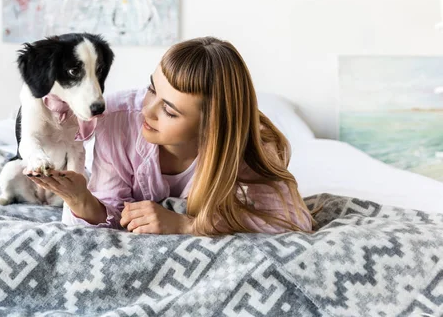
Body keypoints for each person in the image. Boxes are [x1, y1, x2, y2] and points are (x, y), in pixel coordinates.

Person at [27, 37, 315, 236]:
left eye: (169, 110)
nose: (147, 112)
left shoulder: (244, 144)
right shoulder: (116, 120)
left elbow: (294, 220)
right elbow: (111, 212)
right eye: (152, 89)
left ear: (210, 126)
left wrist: (189, 225)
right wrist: (81, 200)